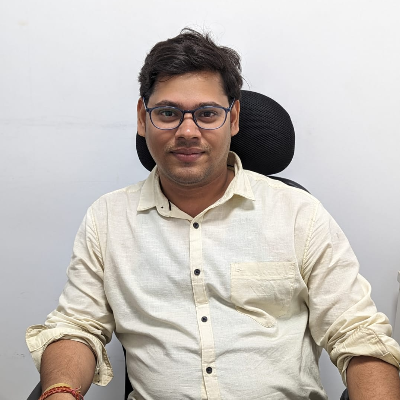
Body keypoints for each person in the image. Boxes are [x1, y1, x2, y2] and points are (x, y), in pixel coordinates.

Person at [26, 28, 400, 400]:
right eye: (168, 113)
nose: (188, 131)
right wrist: (60, 392)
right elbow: (76, 327)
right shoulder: (108, 219)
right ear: (143, 118)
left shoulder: (298, 213)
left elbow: (357, 333)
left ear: (233, 118)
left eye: (207, 113)